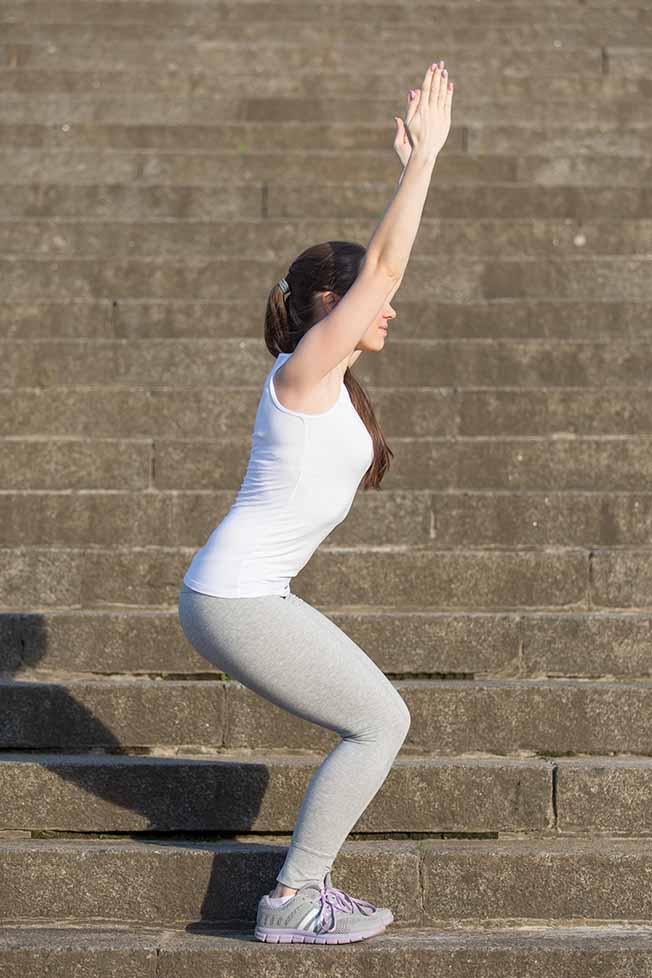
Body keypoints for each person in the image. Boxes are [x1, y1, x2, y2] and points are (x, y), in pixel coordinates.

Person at [177, 58, 454, 945]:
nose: (392, 309)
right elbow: (386, 261)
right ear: (331, 307)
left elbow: (379, 273)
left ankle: (303, 890)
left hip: (255, 594)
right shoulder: (301, 374)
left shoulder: (333, 389)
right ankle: (296, 896)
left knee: (378, 719)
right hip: (236, 597)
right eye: (378, 300)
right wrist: (423, 161)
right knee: (381, 721)